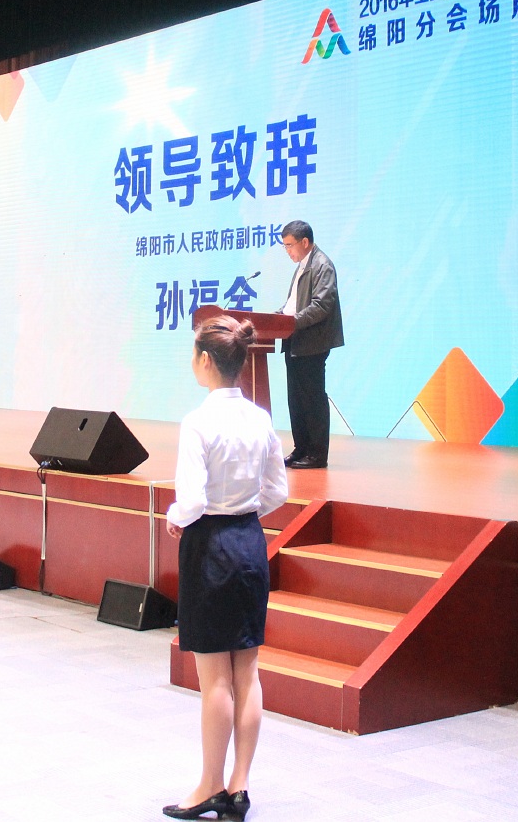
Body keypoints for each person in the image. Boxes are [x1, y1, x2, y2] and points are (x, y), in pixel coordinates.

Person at [163, 316, 289, 821]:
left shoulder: (197, 422)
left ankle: (209, 786)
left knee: (214, 678)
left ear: (206, 361)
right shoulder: (260, 419)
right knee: (248, 673)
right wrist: (245, 511)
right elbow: (278, 491)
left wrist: (174, 518)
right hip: (250, 543)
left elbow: (192, 501)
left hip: (210, 547)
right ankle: (239, 787)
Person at [278, 220, 342, 469]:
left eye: (289, 245)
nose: (287, 251)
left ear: (305, 242)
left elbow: (321, 305)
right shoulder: (302, 266)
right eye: (284, 246)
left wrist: (290, 322)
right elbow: (292, 306)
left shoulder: (322, 265)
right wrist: (276, 318)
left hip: (312, 342)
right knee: (296, 398)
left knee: (312, 398)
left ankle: (317, 454)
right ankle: (301, 448)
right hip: (294, 341)